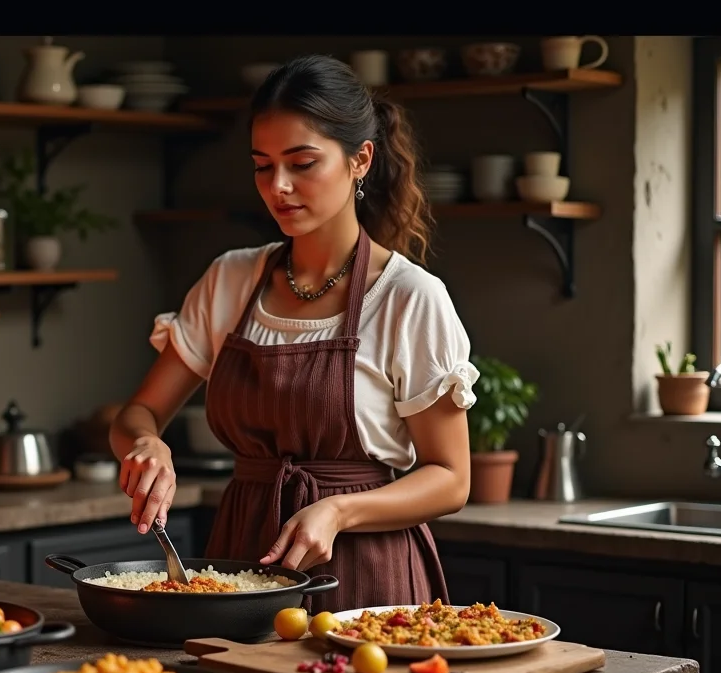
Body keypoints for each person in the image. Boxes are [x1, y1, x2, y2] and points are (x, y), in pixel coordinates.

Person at [108, 54, 479, 614]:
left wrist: (339, 511)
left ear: (361, 161)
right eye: (262, 166)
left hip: (365, 575)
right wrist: (145, 444)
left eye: (302, 163)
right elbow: (137, 414)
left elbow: (451, 479)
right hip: (240, 560)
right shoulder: (229, 280)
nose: (278, 186)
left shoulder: (409, 297)